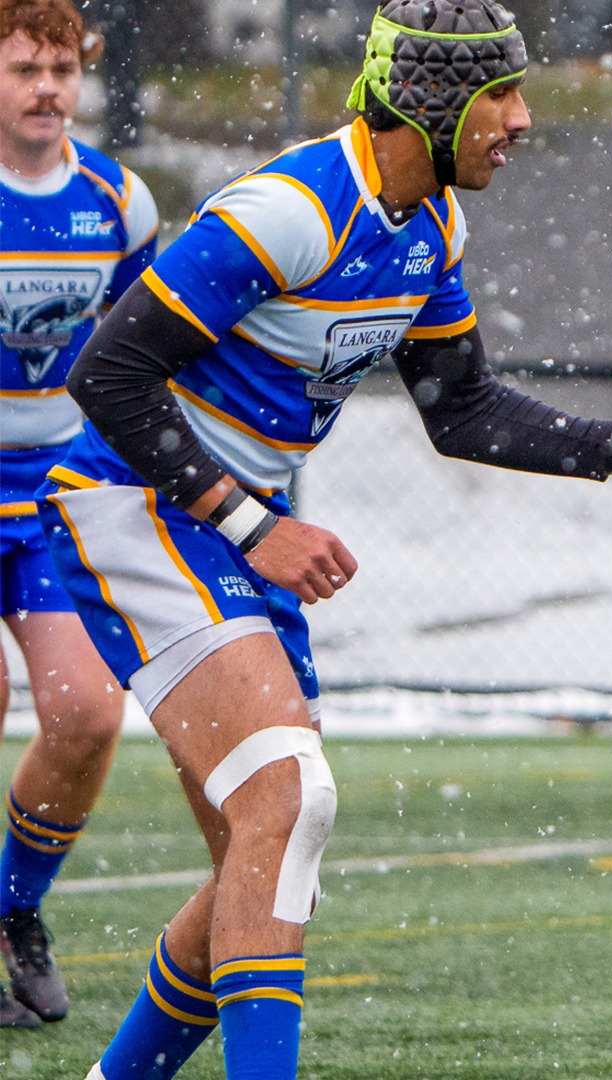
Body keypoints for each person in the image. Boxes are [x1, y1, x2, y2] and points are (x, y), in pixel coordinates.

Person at [41, 3, 612, 1077]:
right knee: (287, 805)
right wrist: (249, 521)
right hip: (135, 506)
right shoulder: (289, 211)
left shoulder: (432, 225)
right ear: (433, 103)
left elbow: (464, 411)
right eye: (503, 93)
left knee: (268, 859)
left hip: (228, 527)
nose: (521, 119)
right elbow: (109, 375)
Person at [0, 0, 155, 1029]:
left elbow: (144, 350)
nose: (49, 88)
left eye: (63, 68)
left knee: (89, 715)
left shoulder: (119, 202)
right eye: (26, 69)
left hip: (55, 494)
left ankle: (14, 909)